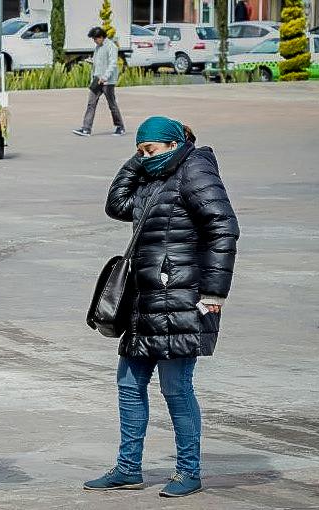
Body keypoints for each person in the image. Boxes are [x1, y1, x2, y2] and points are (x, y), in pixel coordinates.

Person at [84, 116, 239, 497]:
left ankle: (189, 471)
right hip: (145, 299)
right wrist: (140, 159)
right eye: (139, 151)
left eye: (150, 149)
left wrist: (214, 294)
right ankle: (127, 468)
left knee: (176, 387)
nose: (144, 157)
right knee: (128, 383)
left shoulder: (195, 170)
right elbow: (116, 204)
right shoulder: (152, 176)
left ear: (173, 144)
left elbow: (224, 227)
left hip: (183, 298)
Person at [73, 27, 125, 137]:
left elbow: (112, 64)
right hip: (97, 79)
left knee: (112, 104)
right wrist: (91, 61)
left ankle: (120, 127)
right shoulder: (98, 47)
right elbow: (98, 61)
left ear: (101, 37)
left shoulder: (111, 46)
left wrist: (105, 77)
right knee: (91, 103)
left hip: (107, 81)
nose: (94, 41)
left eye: (95, 39)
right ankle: (86, 128)